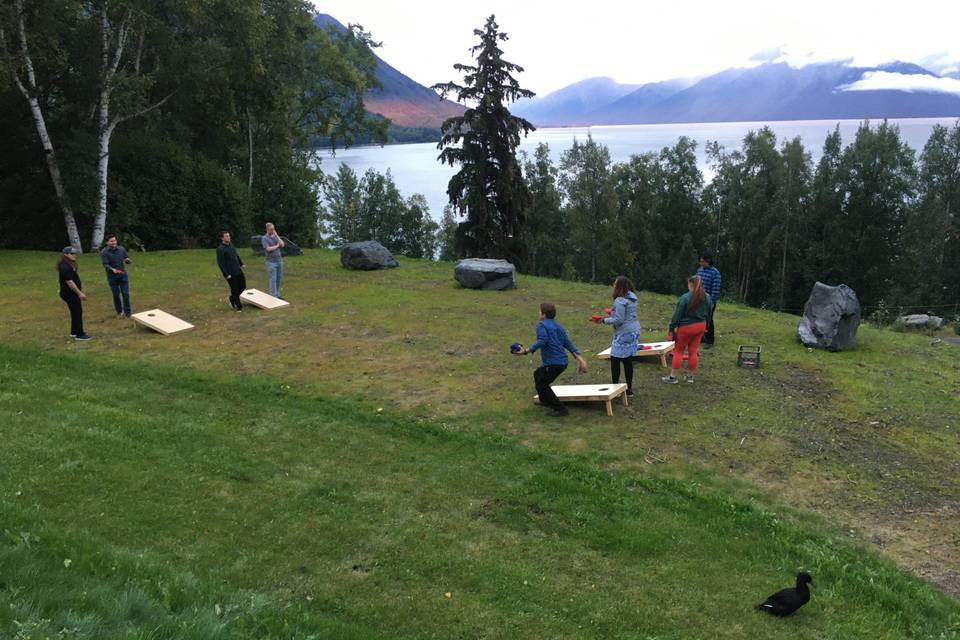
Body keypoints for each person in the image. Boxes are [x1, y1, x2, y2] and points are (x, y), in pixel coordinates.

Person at [514, 302, 588, 417]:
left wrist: (525, 351)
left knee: (542, 385)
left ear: (543, 315)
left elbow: (542, 341)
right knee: (538, 374)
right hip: (562, 363)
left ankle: (560, 409)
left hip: (553, 363)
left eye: (539, 311)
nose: (538, 313)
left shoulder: (542, 325)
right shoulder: (559, 327)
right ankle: (545, 400)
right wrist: (581, 360)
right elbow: (568, 344)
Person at [591, 275, 640, 396]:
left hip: (623, 333)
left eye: (615, 284)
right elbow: (627, 313)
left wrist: (603, 320)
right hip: (634, 331)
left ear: (619, 287)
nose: (613, 285)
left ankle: (615, 389)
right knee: (628, 360)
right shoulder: (632, 298)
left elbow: (619, 320)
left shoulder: (619, 301)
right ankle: (629, 389)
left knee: (615, 360)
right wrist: (612, 312)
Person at [662, 275, 712, 384]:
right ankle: (690, 377)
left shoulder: (685, 297)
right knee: (693, 351)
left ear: (691, 285)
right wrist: (706, 326)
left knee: (678, 351)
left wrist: (671, 328)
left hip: (686, 327)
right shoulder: (707, 297)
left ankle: (673, 377)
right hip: (701, 326)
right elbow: (709, 314)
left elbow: (677, 315)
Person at [57, 246, 90, 340]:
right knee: (77, 312)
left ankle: (74, 332)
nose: (74, 255)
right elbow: (69, 282)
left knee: (75, 312)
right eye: (72, 254)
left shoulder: (69, 264)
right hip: (70, 294)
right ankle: (79, 334)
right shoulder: (65, 266)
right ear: (65, 255)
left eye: (75, 253)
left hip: (70, 293)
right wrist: (79, 293)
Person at [100, 233, 132, 318]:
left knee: (126, 294)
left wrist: (127, 260)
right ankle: (119, 312)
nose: (113, 242)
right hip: (112, 277)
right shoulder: (104, 252)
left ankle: (128, 313)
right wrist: (112, 269)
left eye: (114, 240)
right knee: (116, 295)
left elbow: (126, 257)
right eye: (111, 241)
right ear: (107, 243)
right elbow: (105, 264)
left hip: (123, 275)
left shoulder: (121, 249)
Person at [697, 250, 721, 347]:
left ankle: (710, 341)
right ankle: (702, 337)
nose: (701, 263)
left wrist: (711, 302)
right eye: (700, 261)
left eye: (703, 261)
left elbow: (715, 289)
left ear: (709, 261)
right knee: (699, 319)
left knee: (709, 320)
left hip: (709, 301)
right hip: (699, 299)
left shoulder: (715, 273)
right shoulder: (699, 270)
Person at [216, 231, 246, 311]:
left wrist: (241, 264)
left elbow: (236, 255)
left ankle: (232, 298)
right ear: (222, 238)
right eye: (226, 236)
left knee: (243, 286)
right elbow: (221, 263)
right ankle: (238, 306)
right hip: (230, 273)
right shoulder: (220, 249)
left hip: (237, 270)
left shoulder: (231, 245)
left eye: (229, 236)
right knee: (234, 289)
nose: (228, 237)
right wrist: (226, 274)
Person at [261, 222, 285, 298]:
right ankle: (274, 295)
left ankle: (277, 294)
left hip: (279, 261)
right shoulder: (264, 238)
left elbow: (283, 244)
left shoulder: (275, 236)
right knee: (273, 279)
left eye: (273, 229)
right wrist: (277, 245)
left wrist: (277, 236)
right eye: (271, 229)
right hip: (271, 262)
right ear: (267, 229)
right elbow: (268, 249)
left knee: (278, 278)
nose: (273, 230)